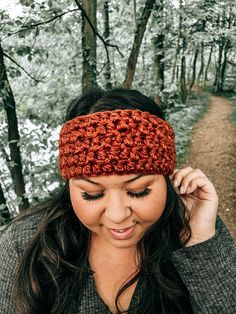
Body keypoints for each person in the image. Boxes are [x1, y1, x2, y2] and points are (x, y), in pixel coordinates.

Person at [0, 88, 235, 314]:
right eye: (92, 194)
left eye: (139, 191)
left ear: (167, 179)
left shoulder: (197, 229)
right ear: (70, 186)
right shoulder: (24, 243)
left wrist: (202, 245)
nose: (117, 215)